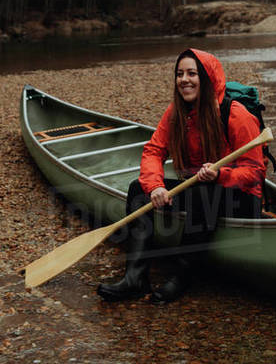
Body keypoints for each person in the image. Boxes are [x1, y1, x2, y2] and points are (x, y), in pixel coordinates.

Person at [97, 48, 265, 303]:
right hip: (201, 187)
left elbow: (254, 172)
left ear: (207, 78)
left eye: (191, 73)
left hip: (242, 198)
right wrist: (154, 186)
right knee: (137, 189)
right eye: (179, 74)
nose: (184, 79)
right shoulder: (176, 112)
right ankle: (135, 278)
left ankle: (182, 276)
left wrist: (220, 175)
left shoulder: (236, 114)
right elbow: (153, 151)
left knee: (202, 191)